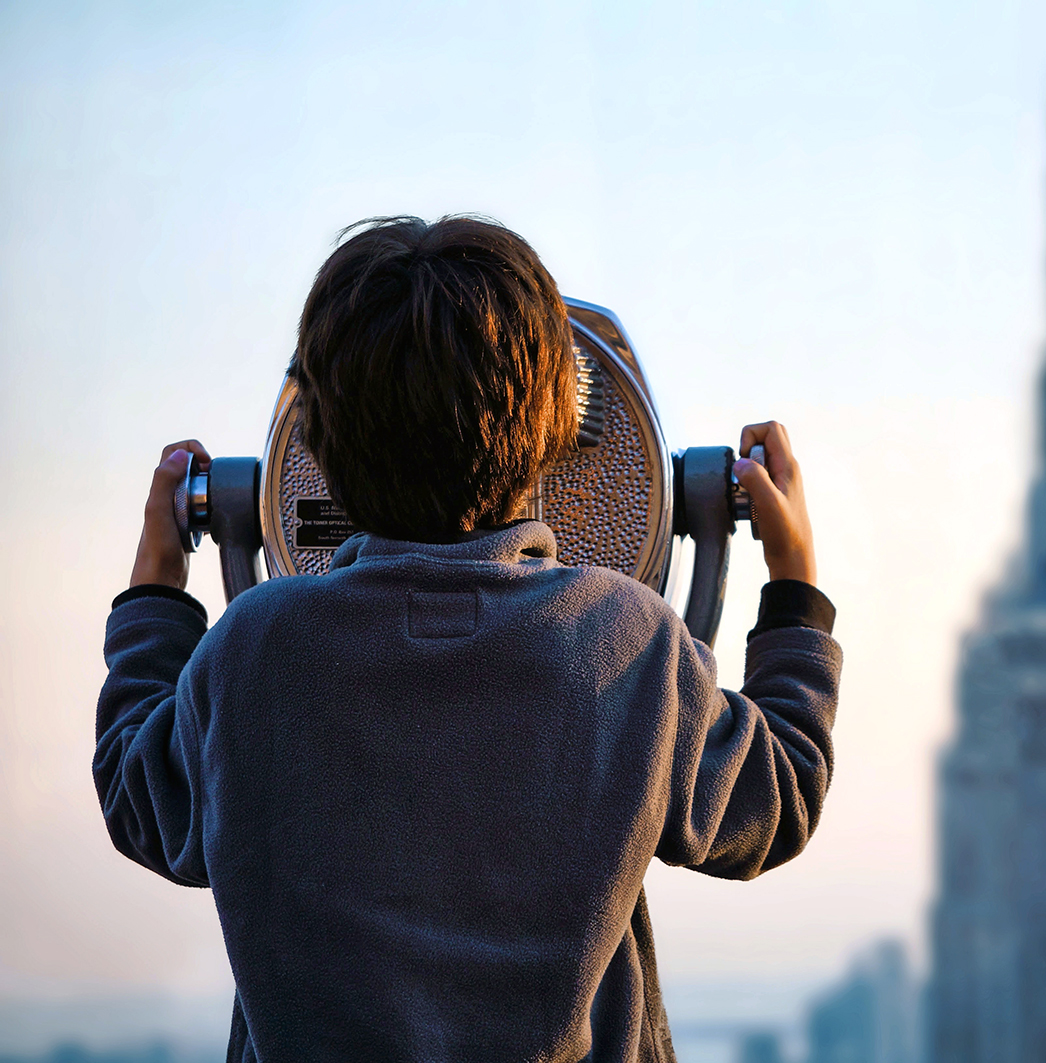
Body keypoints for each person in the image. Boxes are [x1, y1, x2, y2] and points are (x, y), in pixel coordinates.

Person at [94, 216, 843, 1063]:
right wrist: (794, 589)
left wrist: (156, 586)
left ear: (316, 444)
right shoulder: (625, 643)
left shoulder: (251, 653)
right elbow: (780, 797)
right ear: (557, 429)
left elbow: (139, 798)